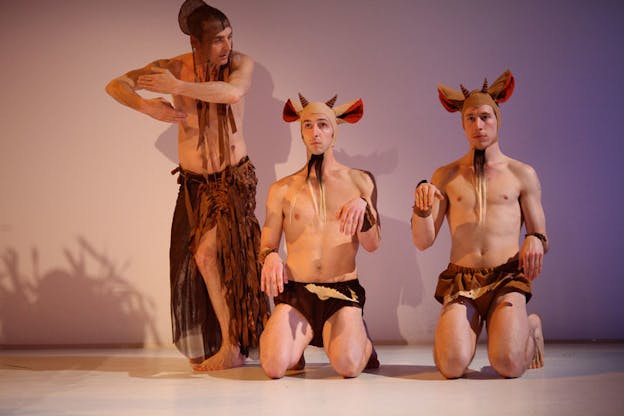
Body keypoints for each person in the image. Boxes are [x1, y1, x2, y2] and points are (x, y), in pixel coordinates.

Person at [105, 0, 269, 370]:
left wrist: (178, 87)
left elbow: (231, 93)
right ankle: (225, 342)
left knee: (211, 255)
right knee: (196, 261)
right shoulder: (173, 66)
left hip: (233, 180)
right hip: (194, 185)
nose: (226, 46)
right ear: (195, 43)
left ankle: (234, 346)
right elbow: (115, 85)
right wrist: (147, 107)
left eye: (229, 37)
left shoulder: (239, 65)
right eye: (217, 40)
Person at [411, 69, 547, 378]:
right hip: (462, 279)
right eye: (470, 118)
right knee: (451, 366)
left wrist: (536, 238)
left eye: (485, 116)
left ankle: (531, 326)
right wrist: (420, 211)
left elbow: (541, 233)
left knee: (509, 365)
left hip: (506, 277)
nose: (478, 125)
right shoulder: (445, 176)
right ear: (462, 124)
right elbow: (423, 241)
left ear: (498, 119)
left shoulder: (521, 173)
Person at [258, 94, 381, 378]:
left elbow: (373, 244)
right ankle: (294, 349)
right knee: (274, 367)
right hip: (297, 294)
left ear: (334, 132)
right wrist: (271, 256)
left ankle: (362, 341)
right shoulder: (282, 189)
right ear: (301, 131)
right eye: (308, 125)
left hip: (341, 292)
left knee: (348, 366)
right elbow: (267, 243)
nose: (315, 133)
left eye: (323, 125)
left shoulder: (358, 181)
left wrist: (364, 210)